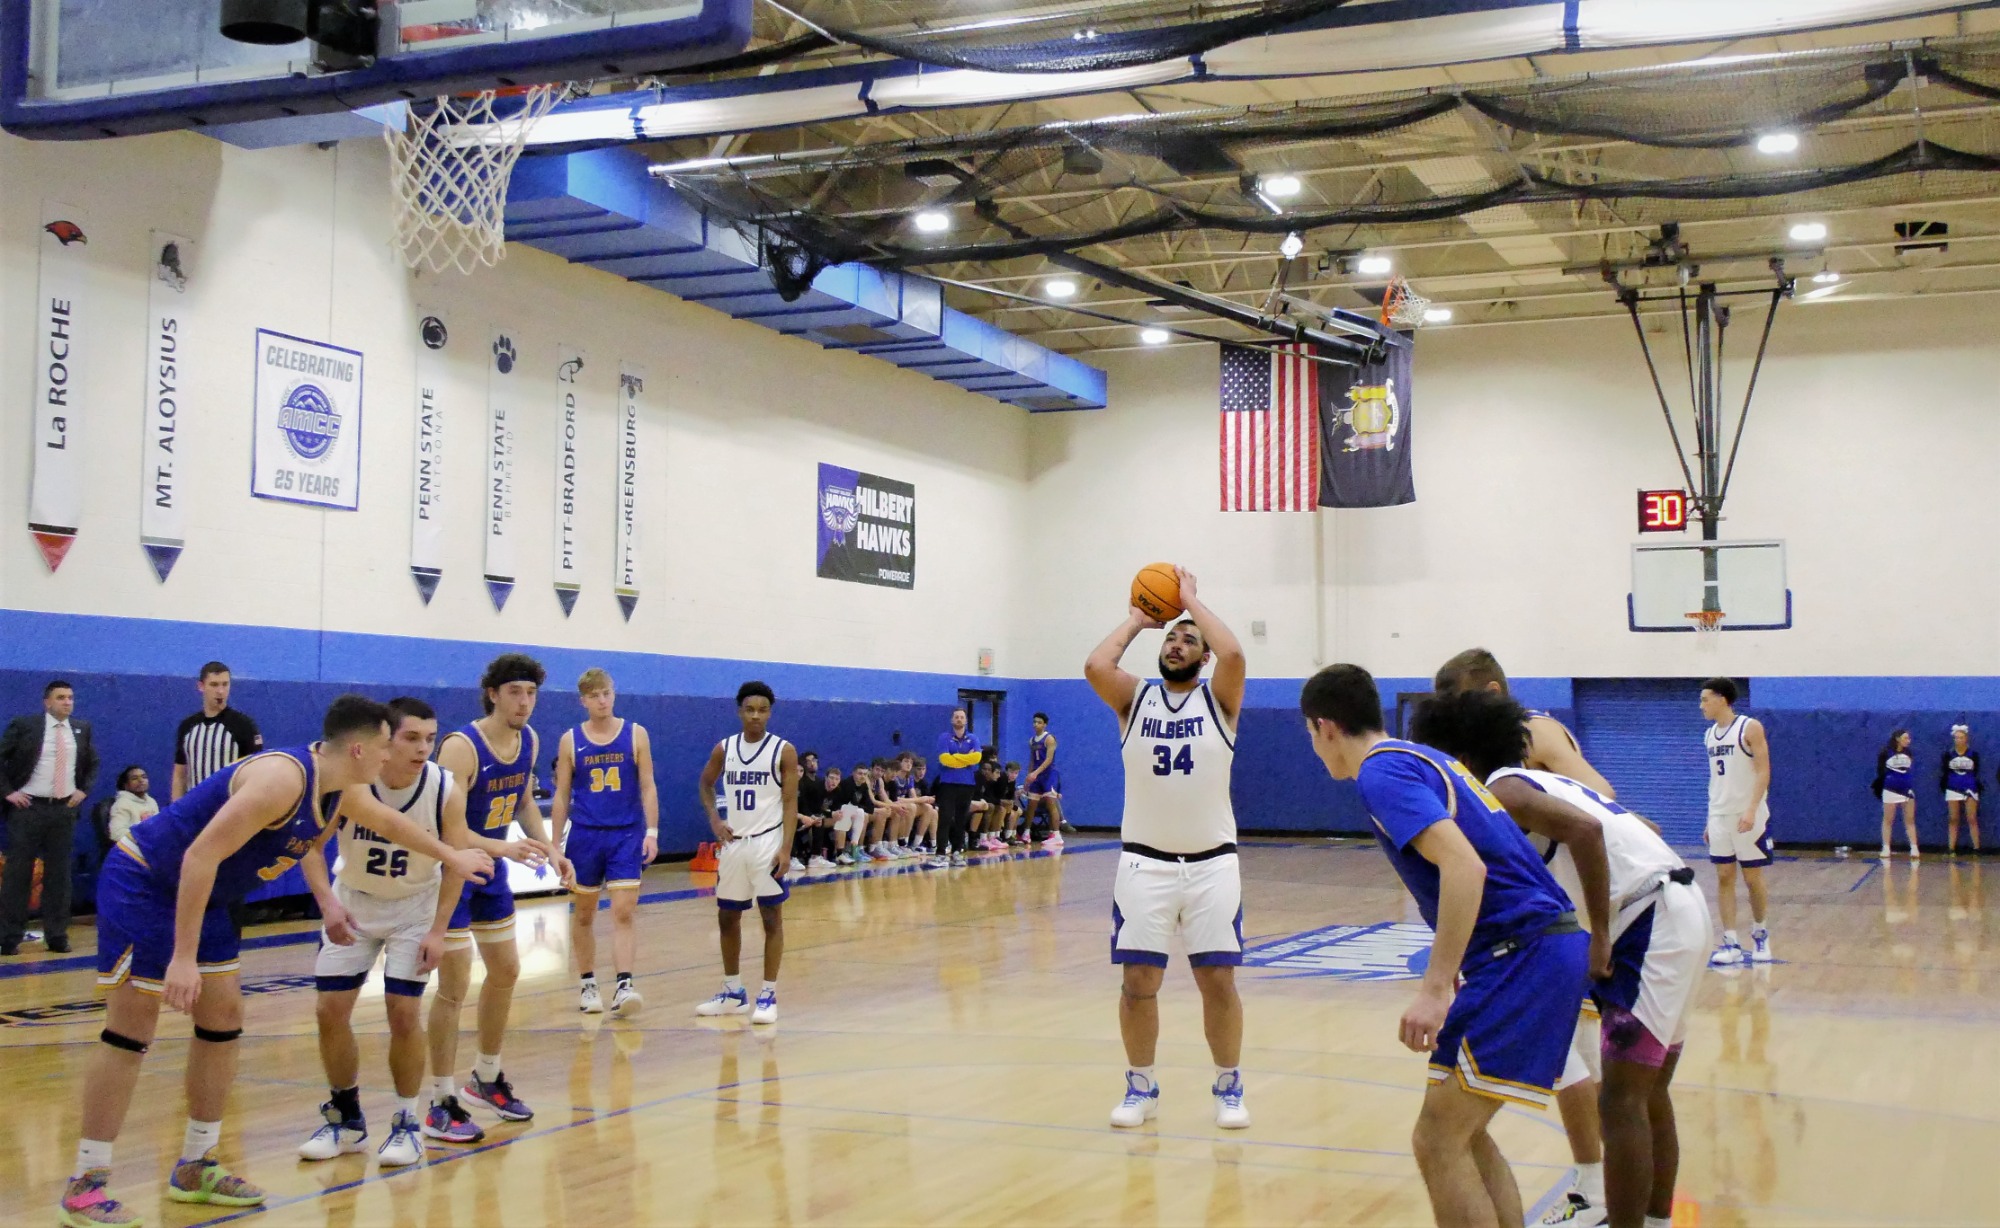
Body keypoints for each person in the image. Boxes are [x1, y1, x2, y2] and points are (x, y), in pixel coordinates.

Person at [56, 695, 494, 1228]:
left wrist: (452, 856)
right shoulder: (283, 780)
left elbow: (389, 822)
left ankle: (196, 1165)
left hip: (207, 896)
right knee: (131, 1031)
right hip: (147, 884)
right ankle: (86, 1182)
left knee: (222, 1026)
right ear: (358, 748)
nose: (391, 757)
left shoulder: (342, 788)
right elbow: (199, 855)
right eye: (385, 745)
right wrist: (184, 957)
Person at [1301, 664, 1590, 1228]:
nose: (1315, 749)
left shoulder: (1381, 775)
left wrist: (1435, 985)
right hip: (1531, 949)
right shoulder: (1427, 758)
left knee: (1437, 1141)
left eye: (1311, 737)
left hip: (1524, 953)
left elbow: (1465, 866)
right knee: (1463, 1135)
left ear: (1325, 727)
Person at [1414, 689, 1710, 1228]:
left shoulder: (1503, 789)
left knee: (1620, 1100)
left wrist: (1598, 934)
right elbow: (1635, 827)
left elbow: (1587, 829)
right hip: (1674, 910)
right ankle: (1656, 1221)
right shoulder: (1529, 785)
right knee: (1646, 1092)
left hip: (1648, 924)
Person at [299, 697, 545, 1169]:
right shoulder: (353, 780)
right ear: (383, 741)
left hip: (415, 907)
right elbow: (309, 846)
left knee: (403, 1012)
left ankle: (407, 1120)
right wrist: (327, 904)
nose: (422, 749)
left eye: (430, 739)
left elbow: (455, 862)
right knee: (329, 1010)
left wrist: (438, 929)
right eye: (411, 738)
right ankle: (346, 1117)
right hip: (353, 900)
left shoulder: (443, 788)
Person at [1434, 648, 1617, 1226]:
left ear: (1490, 695)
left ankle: (1599, 1192)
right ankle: (1599, 1189)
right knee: (1572, 1058)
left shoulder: (1532, 731)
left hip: (1576, 903)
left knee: (1579, 1059)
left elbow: (1603, 800)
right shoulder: (1498, 748)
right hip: (1552, 905)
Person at [1084, 566, 1251, 1130]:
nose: (1177, 643)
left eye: (1188, 640)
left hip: (1212, 866)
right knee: (1138, 984)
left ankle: (1228, 1085)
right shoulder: (1135, 699)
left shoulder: (1220, 699)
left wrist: (1191, 603)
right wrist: (1139, 616)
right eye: (1171, 636)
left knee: (1218, 982)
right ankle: (1141, 1085)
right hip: (1143, 863)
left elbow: (1233, 655)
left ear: (1201, 659)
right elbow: (1094, 666)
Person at [427, 653, 571, 1140]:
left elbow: (525, 800)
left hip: (488, 871)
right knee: (452, 986)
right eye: (515, 692)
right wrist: (504, 847)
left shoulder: (528, 740)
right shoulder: (461, 747)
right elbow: (447, 829)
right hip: (449, 871)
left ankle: (485, 1077)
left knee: (507, 970)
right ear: (492, 693)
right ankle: (440, 1098)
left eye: (531, 693)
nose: (524, 702)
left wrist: (550, 846)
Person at [550, 668, 659, 1018]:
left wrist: (652, 832)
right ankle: (588, 983)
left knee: (624, 910)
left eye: (607, 693)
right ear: (583, 700)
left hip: (625, 834)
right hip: (585, 835)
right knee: (583, 913)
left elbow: (647, 786)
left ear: (614, 694)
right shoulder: (570, 739)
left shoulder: (635, 734)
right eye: (594, 695)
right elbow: (562, 794)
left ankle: (625, 984)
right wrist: (554, 844)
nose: (602, 700)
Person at [694, 682, 798, 1024]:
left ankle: (767, 994)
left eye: (762, 709)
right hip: (734, 844)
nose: (756, 715)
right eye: (750, 709)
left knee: (771, 919)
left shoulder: (783, 750)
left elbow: (790, 802)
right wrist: (714, 818)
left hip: (768, 843)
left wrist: (786, 848)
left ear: (770, 712)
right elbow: (706, 783)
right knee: (727, 917)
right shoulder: (725, 749)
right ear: (740, 711)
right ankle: (733, 992)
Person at [0, 679, 99, 955]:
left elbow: (93, 764)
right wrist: (8, 792)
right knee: (18, 875)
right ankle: (9, 936)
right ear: (47, 702)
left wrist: (83, 791)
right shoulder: (26, 726)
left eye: (70, 697)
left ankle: (57, 935)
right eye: (61, 697)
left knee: (59, 876)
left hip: (62, 810)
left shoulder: (81, 729)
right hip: (28, 808)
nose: (67, 702)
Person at [1702, 679, 1773, 967]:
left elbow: (1763, 771)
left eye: (1705, 699)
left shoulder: (1749, 727)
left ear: (1722, 699)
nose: (1701, 705)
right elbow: (1715, 780)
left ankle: (1761, 933)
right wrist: (1709, 818)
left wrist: (1752, 809)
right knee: (1723, 877)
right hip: (1719, 814)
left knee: (1752, 878)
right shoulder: (1708, 734)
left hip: (1747, 815)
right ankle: (1730, 941)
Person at [172, 662, 261, 800]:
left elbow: (256, 774)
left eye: (225, 684)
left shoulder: (244, 725)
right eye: (214, 685)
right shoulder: (187, 726)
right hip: (194, 810)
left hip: (229, 809)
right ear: (201, 686)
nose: (220, 691)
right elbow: (180, 774)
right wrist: (175, 813)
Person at [929, 710, 983, 869]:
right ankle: (940, 854)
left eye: (962, 717)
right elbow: (945, 760)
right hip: (947, 783)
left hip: (967, 784)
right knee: (945, 818)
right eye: (956, 717)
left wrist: (956, 758)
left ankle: (957, 852)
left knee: (961, 819)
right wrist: (965, 760)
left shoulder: (973, 738)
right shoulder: (944, 737)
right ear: (952, 720)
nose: (959, 719)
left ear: (966, 720)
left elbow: (977, 759)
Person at [1023, 712, 1066, 845]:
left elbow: (1049, 759)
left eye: (1039, 722)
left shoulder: (1049, 739)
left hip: (1048, 775)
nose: (1036, 724)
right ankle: (1026, 833)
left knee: (1051, 803)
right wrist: (1028, 777)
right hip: (1036, 774)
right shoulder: (1031, 740)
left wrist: (1036, 772)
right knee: (1031, 804)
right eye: (1034, 722)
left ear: (1045, 724)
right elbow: (1031, 760)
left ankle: (1056, 835)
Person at [1875, 729, 1918, 861]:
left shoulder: (1908, 753)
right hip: (1890, 790)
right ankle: (1886, 847)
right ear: (1898, 738)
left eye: (1909, 738)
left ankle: (1914, 847)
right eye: (1906, 738)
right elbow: (1880, 771)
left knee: (1909, 820)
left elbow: (1908, 771)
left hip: (1906, 791)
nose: (1908, 740)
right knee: (1888, 819)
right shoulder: (1886, 752)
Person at [1944, 725, 1981, 855]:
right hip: (1953, 788)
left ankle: (1976, 848)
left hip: (1970, 788)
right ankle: (1951, 848)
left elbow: (1976, 771)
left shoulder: (1973, 754)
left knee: (1972, 818)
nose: (1958, 740)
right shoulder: (1949, 754)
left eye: (1961, 737)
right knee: (1953, 818)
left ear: (1966, 739)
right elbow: (1945, 772)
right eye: (1956, 738)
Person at [107, 767, 160, 845]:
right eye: (134, 778)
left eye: (144, 777)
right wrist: (143, 839)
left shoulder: (151, 801)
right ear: (126, 785)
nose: (141, 780)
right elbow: (116, 834)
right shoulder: (122, 804)